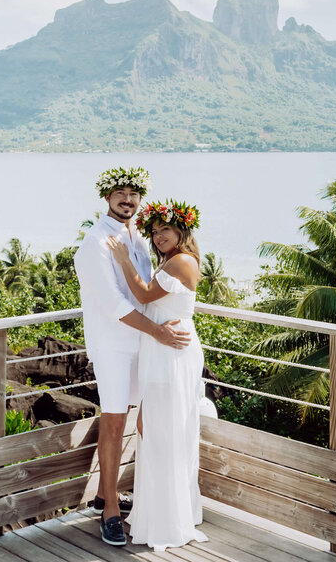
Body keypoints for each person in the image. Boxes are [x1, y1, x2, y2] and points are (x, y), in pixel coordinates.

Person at [73, 168, 192, 547]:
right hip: (115, 346)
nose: (127, 199)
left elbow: (147, 288)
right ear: (106, 197)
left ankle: (112, 493)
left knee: (145, 420)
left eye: (133, 193)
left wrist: (155, 334)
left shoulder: (136, 236)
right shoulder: (95, 241)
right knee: (113, 421)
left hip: (144, 345)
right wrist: (158, 331)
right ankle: (108, 511)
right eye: (119, 193)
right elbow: (113, 304)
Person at [107, 199, 210, 552]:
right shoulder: (169, 260)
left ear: (181, 229)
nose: (158, 234)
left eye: (165, 228)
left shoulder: (182, 261)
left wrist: (122, 260)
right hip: (161, 349)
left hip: (173, 353)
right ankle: (162, 509)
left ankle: (168, 518)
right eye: (154, 230)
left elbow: (144, 293)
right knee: (151, 426)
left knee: (162, 428)